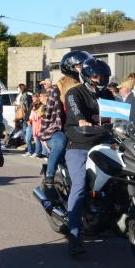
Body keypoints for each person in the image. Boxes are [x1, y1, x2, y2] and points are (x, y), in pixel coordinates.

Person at [63, 57, 112, 256]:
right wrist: (82, 121)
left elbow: (122, 115)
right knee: (80, 185)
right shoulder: (75, 93)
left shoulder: (107, 94)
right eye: (95, 75)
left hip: (104, 143)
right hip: (79, 145)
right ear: (86, 76)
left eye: (102, 76)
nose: (99, 79)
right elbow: (75, 112)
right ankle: (74, 235)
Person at [40, 50, 90, 190]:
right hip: (59, 130)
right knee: (61, 141)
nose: (84, 68)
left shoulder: (88, 87)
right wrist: (43, 135)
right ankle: (49, 176)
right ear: (71, 68)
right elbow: (48, 114)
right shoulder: (57, 90)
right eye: (81, 65)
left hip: (82, 130)